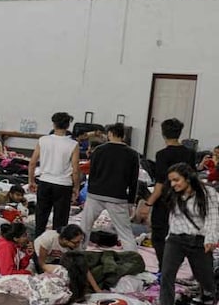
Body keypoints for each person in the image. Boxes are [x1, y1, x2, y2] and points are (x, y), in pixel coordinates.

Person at [154, 163, 219, 305]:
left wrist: (210, 239)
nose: (173, 184)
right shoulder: (174, 195)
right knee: (167, 274)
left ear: (188, 178)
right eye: (171, 181)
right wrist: (169, 237)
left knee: (205, 278)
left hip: (199, 240)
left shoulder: (207, 193)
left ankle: (208, 296)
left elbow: (213, 218)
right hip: (176, 239)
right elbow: (173, 218)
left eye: (177, 180)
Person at [145, 118, 196, 270]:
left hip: (166, 200)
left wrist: (149, 203)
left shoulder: (162, 155)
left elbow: (160, 183)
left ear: (163, 133)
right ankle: (174, 265)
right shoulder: (190, 153)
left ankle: (165, 267)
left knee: (160, 236)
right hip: (184, 199)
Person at [80, 123, 140, 251]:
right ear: (123, 136)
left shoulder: (99, 150)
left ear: (110, 134)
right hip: (118, 197)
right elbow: (134, 180)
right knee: (125, 232)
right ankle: (133, 259)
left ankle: (78, 253)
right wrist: (130, 202)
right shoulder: (133, 154)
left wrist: (91, 192)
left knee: (85, 227)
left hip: (96, 194)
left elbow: (92, 173)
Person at [28, 112, 80, 236]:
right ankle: (57, 250)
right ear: (68, 126)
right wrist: (76, 187)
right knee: (60, 222)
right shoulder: (73, 144)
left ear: (53, 124)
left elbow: (32, 163)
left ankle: (37, 249)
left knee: (40, 219)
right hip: (63, 185)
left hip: (45, 182)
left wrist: (31, 181)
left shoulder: (43, 140)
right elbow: (76, 169)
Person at [32, 225, 100, 293]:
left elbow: (84, 267)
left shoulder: (75, 247)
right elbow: (42, 264)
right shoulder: (48, 239)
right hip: (41, 258)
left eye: (80, 242)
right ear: (64, 240)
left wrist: (97, 289)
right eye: (75, 242)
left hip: (56, 258)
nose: (78, 245)